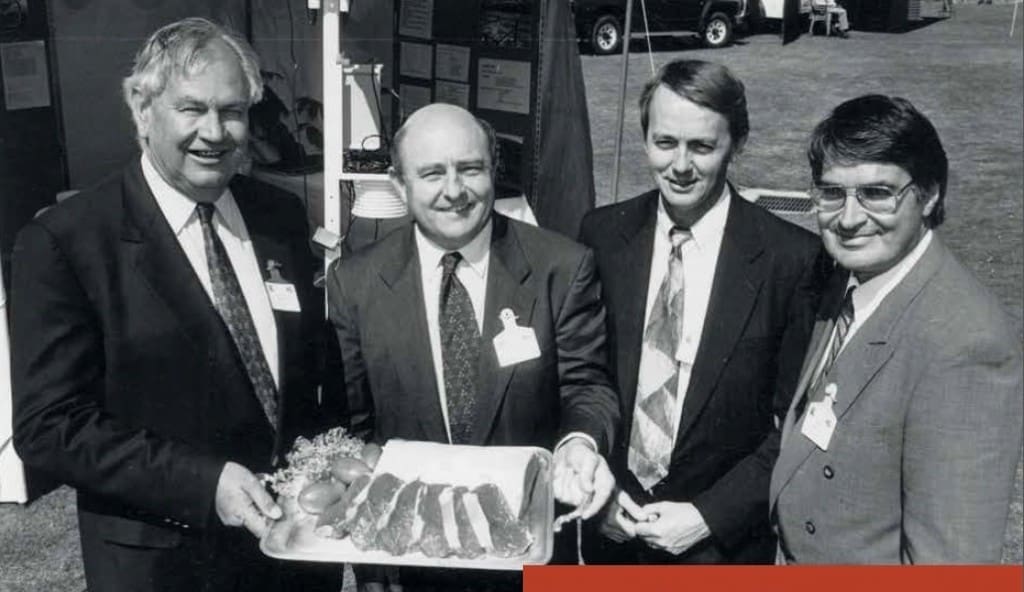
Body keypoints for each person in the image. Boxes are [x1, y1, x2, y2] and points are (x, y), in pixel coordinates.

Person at [10, 18, 341, 591]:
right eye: (192, 109)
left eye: (233, 111)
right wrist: (203, 483)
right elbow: (50, 426)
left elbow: (310, 370)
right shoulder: (68, 241)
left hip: (289, 559)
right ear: (142, 109)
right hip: (164, 564)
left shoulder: (278, 217)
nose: (215, 132)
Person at [327, 103, 620, 589]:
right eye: (432, 173)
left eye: (470, 168)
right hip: (414, 561)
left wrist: (579, 443)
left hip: (529, 554)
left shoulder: (561, 268)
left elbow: (588, 387)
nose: (454, 191)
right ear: (401, 186)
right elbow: (357, 429)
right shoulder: (355, 283)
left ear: (492, 172)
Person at [579, 59, 829, 564]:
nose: (680, 166)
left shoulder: (792, 259)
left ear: (737, 143)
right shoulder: (602, 235)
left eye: (702, 147)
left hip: (720, 547)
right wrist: (596, 491)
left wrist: (710, 516)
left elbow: (800, 423)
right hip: (610, 531)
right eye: (665, 143)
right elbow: (582, 379)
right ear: (645, 137)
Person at [770, 95, 1023, 563]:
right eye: (831, 193)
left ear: (929, 195)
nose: (848, 219)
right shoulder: (847, 278)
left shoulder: (967, 343)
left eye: (877, 193)